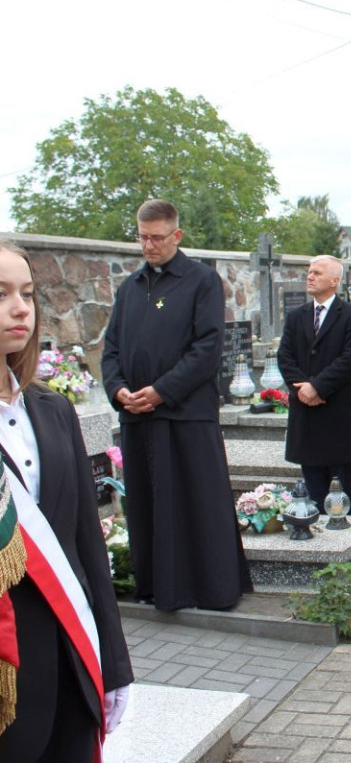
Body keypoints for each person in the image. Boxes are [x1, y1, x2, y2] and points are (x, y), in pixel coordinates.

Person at [0, 240, 133, 760]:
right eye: (2, 293)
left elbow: (85, 544)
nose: (20, 309)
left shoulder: (53, 411)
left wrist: (114, 662)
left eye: (28, 294)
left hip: (70, 664)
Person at [101, 199, 251, 611]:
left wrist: (162, 390)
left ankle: (209, 589)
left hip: (185, 415)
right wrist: (118, 390)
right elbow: (111, 348)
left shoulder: (201, 281)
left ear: (177, 235)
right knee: (149, 505)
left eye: (157, 238)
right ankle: (156, 587)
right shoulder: (130, 288)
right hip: (137, 418)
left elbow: (206, 348)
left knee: (196, 502)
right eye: (142, 237)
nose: (148, 246)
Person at [278, 255, 351, 514]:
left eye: (317, 272)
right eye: (309, 271)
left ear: (334, 280)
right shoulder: (297, 316)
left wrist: (316, 387)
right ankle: (313, 528)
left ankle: (343, 536)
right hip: (305, 412)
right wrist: (302, 389)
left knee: (339, 483)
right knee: (312, 483)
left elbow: (350, 358)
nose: (310, 276)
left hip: (336, 411)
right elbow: (285, 355)